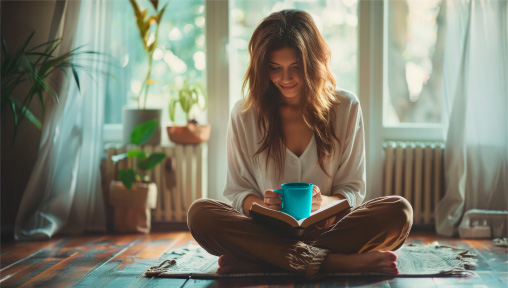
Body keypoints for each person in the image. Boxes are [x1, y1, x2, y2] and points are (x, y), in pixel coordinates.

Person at [187, 9, 413, 279]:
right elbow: (238, 192)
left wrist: (325, 203)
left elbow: (352, 189)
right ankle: (334, 264)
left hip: (330, 230)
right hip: (266, 231)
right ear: (262, 67)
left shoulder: (346, 107)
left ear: (314, 63)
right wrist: (262, 205)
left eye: (296, 67)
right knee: (200, 214)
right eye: (275, 68)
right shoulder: (245, 114)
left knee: (399, 211)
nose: (286, 78)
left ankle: (265, 260)